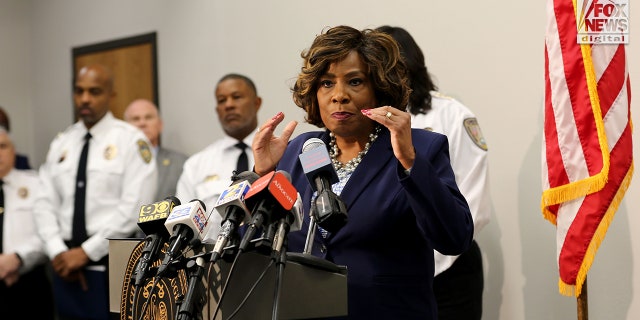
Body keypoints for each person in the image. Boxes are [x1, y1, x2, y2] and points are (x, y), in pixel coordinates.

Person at [251, 25, 474, 319]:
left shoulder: (420, 147)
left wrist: (410, 161)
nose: (339, 96)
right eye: (327, 84)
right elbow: (254, 246)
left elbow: (453, 238)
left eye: (355, 82)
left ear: (379, 89)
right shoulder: (299, 150)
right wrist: (262, 173)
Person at [377, 25, 492, 320]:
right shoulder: (363, 122)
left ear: (409, 64)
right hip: (386, 270)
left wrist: (424, 258)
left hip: (450, 269)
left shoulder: (452, 115)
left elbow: (473, 200)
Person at [33, 64, 157, 320]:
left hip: (110, 263)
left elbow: (134, 208)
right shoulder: (62, 142)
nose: (85, 99)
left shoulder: (131, 140)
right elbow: (43, 201)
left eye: (94, 91)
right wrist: (57, 251)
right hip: (64, 266)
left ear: (111, 94)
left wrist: (87, 252)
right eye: (79, 91)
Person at [176, 73, 262, 239]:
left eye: (236, 97)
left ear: (256, 103)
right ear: (217, 110)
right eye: (222, 100)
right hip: (211, 260)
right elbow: (182, 228)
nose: (228, 105)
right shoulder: (196, 165)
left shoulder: (281, 155)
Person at [0, 127, 55, 319]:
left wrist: (18, 259)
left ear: (13, 151)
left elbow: (49, 232)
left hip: (28, 283)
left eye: (2, 146)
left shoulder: (35, 184)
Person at [124, 98, 188, 201]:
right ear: (125, 128)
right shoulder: (115, 164)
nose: (142, 123)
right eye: (136, 119)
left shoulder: (181, 163)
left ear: (160, 125)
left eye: (148, 117)